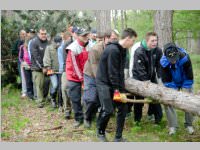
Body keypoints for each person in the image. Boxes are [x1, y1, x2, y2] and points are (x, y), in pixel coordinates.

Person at [96, 28, 137, 142]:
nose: (133, 43)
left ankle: (118, 138)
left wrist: (122, 90)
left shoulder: (123, 50)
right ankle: (100, 132)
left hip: (114, 82)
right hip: (103, 82)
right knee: (108, 110)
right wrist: (116, 91)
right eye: (133, 40)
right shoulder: (113, 50)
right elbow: (112, 72)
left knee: (123, 108)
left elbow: (119, 73)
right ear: (127, 38)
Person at [83, 30, 118, 128]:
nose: (114, 41)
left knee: (101, 99)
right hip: (91, 74)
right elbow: (94, 66)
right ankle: (87, 118)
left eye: (116, 39)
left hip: (104, 75)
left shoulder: (115, 48)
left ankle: (98, 120)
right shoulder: (96, 49)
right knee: (92, 98)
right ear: (105, 38)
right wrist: (101, 82)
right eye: (112, 38)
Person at [160, 42, 195, 135]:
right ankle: (173, 126)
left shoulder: (185, 58)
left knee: (189, 101)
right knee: (167, 101)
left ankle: (189, 124)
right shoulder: (163, 62)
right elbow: (166, 80)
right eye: (171, 59)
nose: (173, 61)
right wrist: (174, 94)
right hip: (172, 83)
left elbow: (189, 77)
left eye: (175, 59)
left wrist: (184, 92)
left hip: (185, 81)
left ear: (177, 53)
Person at [132, 32, 163, 125]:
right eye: (152, 41)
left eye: (156, 40)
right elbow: (139, 69)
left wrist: (160, 79)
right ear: (146, 41)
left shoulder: (157, 50)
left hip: (151, 76)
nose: (155, 43)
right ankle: (137, 121)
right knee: (139, 101)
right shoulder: (139, 51)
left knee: (155, 97)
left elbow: (159, 66)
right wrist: (147, 83)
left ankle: (157, 120)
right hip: (139, 78)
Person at [66, 27, 90, 127]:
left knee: (88, 98)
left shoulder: (90, 45)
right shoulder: (72, 48)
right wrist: (82, 80)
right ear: (78, 36)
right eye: (83, 35)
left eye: (86, 35)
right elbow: (75, 67)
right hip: (74, 76)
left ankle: (88, 118)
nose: (85, 37)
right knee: (75, 98)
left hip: (86, 75)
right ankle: (78, 118)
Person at [62, 26, 78, 119]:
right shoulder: (67, 44)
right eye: (75, 33)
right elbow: (66, 60)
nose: (77, 35)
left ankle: (78, 110)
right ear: (72, 33)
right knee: (65, 88)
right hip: (68, 69)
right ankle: (67, 109)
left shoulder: (83, 43)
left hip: (80, 70)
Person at [43, 35, 63, 109]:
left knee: (61, 87)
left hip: (61, 71)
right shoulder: (49, 48)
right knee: (55, 85)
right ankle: (53, 98)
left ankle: (61, 102)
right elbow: (46, 58)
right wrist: (48, 68)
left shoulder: (62, 47)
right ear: (54, 41)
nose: (58, 44)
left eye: (59, 43)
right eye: (56, 43)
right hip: (52, 70)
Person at [30, 28, 48, 108]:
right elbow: (36, 56)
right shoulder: (34, 42)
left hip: (48, 67)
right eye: (42, 34)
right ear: (38, 34)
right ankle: (40, 101)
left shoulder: (48, 42)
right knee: (39, 85)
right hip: (37, 68)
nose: (44, 35)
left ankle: (46, 98)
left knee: (47, 84)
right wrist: (42, 67)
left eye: (45, 33)